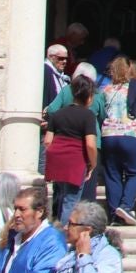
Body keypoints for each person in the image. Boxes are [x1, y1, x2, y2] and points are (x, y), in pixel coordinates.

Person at [97, 56, 136, 225]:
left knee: (112, 175)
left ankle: (114, 214)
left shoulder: (106, 90)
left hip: (109, 135)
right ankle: (125, 206)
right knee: (134, 173)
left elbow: (101, 111)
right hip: (130, 135)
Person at [46, 75, 101, 225]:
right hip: (75, 162)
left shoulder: (57, 114)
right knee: (71, 200)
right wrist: (93, 163)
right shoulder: (88, 116)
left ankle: (56, 227)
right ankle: (64, 234)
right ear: (89, 97)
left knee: (61, 196)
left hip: (57, 161)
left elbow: (47, 141)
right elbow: (90, 144)